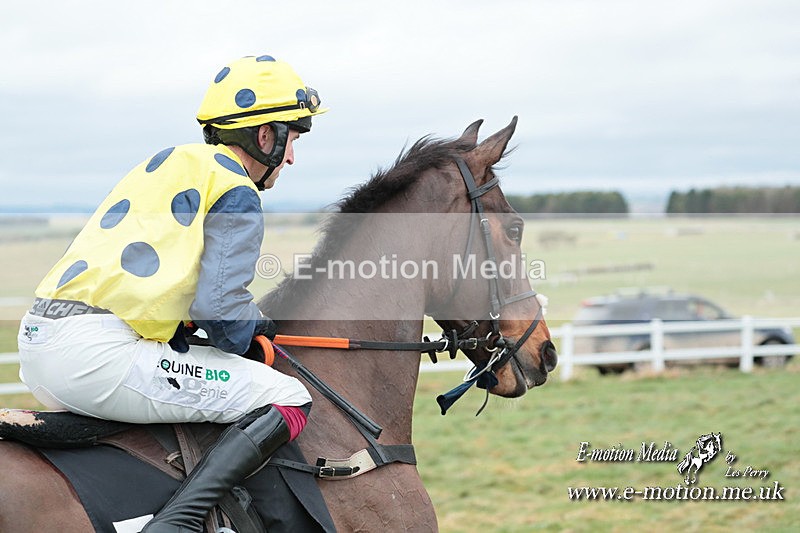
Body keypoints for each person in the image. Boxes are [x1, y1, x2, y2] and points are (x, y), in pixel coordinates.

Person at [17, 54, 326, 532]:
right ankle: (178, 522)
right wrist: (253, 333)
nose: (291, 157)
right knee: (287, 395)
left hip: (39, 342)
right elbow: (220, 311)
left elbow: (158, 282)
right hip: (95, 355)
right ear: (266, 136)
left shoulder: (169, 164)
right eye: (292, 138)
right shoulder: (235, 188)